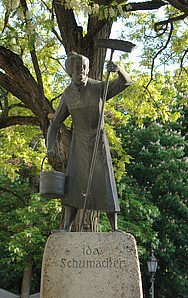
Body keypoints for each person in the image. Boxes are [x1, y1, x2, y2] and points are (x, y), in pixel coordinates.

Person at [46, 51, 132, 231]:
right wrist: (49, 147)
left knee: (105, 182)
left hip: (98, 141)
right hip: (79, 143)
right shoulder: (68, 95)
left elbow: (125, 82)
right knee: (73, 183)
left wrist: (118, 69)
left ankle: (114, 227)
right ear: (70, 71)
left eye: (85, 67)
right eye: (78, 67)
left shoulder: (99, 87)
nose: (82, 70)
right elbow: (55, 124)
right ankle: (67, 226)